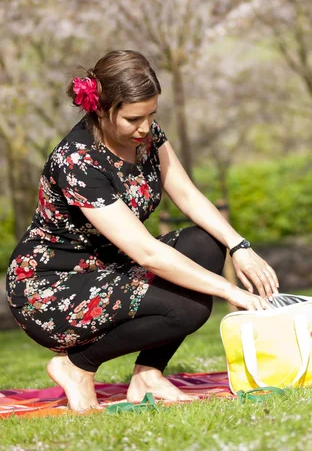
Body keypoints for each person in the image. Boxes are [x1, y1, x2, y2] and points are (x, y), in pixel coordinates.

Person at [6, 50, 279, 412]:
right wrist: (231, 291)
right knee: (189, 307)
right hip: (51, 287)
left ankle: (148, 376)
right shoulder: (77, 161)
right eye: (134, 118)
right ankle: (76, 366)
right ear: (100, 109)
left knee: (206, 243)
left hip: (107, 270)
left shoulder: (145, 137)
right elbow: (146, 252)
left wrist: (238, 246)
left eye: (152, 114)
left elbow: (184, 193)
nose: (146, 127)